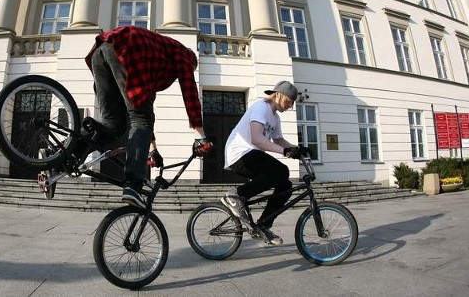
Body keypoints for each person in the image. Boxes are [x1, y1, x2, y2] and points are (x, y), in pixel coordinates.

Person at [85, 26, 212, 209]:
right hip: (127, 49)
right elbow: (190, 92)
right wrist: (201, 136)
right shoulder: (184, 54)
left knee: (112, 123)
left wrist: (152, 148)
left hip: (101, 50)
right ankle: (133, 186)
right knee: (140, 119)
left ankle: (64, 154)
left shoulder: (158, 59)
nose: (182, 74)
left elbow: (144, 106)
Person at [221, 80, 307, 246]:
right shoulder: (261, 107)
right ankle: (236, 195)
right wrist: (285, 152)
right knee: (280, 170)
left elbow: (279, 140)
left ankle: (264, 225)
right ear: (278, 95)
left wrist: (298, 149)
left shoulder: (275, 118)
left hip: (252, 155)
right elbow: (257, 139)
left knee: (286, 186)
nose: (291, 106)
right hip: (240, 154)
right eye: (290, 101)